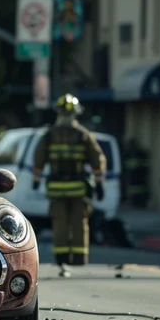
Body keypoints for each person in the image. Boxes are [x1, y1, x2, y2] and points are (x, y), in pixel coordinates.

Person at [32, 94, 106, 272]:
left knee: (60, 223)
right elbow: (97, 159)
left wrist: (37, 179)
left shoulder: (49, 135)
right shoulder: (83, 135)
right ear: (76, 113)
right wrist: (99, 182)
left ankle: (62, 256)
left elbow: (39, 158)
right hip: (79, 188)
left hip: (57, 189)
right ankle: (79, 258)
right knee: (79, 222)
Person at [123, 138, 150, 208]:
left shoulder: (140, 153)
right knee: (133, 190)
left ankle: (140, 203)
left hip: (140, 176)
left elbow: (145, 165)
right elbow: (126, 164)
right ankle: (134, 202)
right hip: (133, 176)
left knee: (140, 190)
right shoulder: (128, 153)